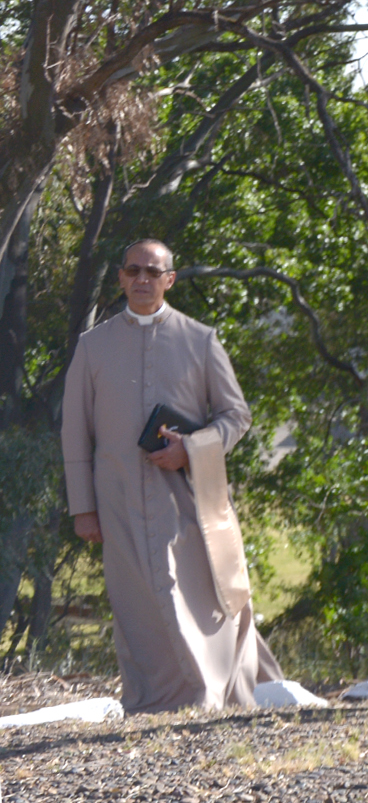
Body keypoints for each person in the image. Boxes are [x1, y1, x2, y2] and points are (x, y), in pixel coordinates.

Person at [61, 239, 282, 714]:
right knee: (138, 604)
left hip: (188, 498)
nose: (143, 279)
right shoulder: (92, 346)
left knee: (202, 597)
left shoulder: (200, 339)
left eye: (153, 271)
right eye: (133, 270)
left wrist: (193, 449)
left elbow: (235, 415)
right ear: (120, 277)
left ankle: (214, 691)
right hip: (117, 498)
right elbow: (75, 432)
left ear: (170, 279)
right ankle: (154, 698)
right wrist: (83, 509)